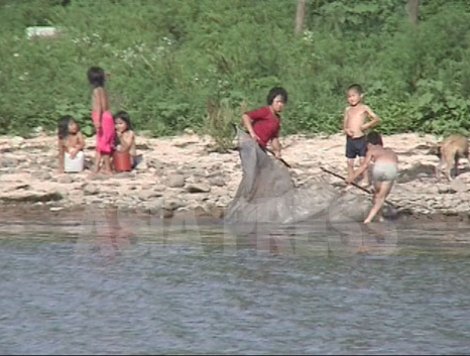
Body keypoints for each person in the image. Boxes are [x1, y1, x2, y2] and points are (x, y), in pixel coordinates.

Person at [346, 132, 398, 224]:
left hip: (378, 168)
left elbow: (364, 166)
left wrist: (352, 177)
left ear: (369, 143)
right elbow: (395, 161)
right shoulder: (390, 151)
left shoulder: (371, 150)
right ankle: (374, 218)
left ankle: (373, 218)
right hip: (391, 168)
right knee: (381, 196)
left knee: (377, 195)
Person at [343, 84, 380, 186]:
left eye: (353, 96)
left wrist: (366, 125)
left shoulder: (364, 108)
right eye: (349, 96)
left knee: (362, 160)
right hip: (350, 139)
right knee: (350, 162)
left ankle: (365, 180)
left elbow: (376, 119)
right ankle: (351, 178)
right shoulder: (347, 109)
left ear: (361, 96)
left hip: (361, 138)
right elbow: (345, 123)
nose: (351, 99)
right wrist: (346, 130)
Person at [242, 87, 288, 159]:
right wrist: (252, 133)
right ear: (271, 101)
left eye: (282, 102)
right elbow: (246, 116)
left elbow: (274, 137)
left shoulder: (277, 119)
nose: (280, 104)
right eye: (278, 102)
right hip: (251, 144)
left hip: (261, 148)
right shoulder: (265, 111)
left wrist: (277, 151)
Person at [87, 66, 115, 174]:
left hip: (102, 117)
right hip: (107, 116)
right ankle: (96, 167)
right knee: (101, 143)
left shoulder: (96, 91)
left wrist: (97, 121)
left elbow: (99, 106)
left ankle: (108, 169)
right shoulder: (103, 90)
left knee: (103, 144)